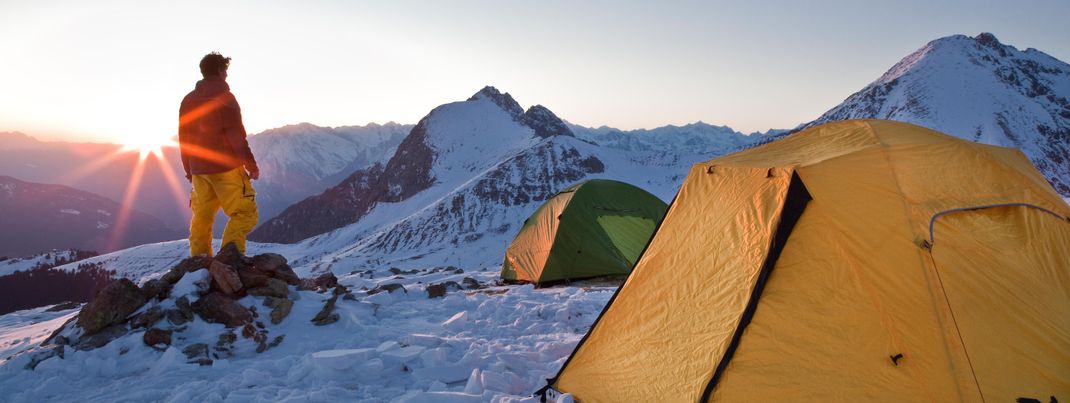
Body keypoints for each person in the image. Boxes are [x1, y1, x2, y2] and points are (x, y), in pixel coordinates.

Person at [178, 52, 260, 257]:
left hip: (198, 170)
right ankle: (230, 259)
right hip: (226, 168)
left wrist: (189, 169)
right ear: (221, 71)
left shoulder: (188, 100)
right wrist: (250, 164)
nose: (227, 76)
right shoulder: (226, 98)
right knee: (245, 213)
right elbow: (236, 135)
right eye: (225, 71)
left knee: (202, 217)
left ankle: (199, 261)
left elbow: (184, 138)